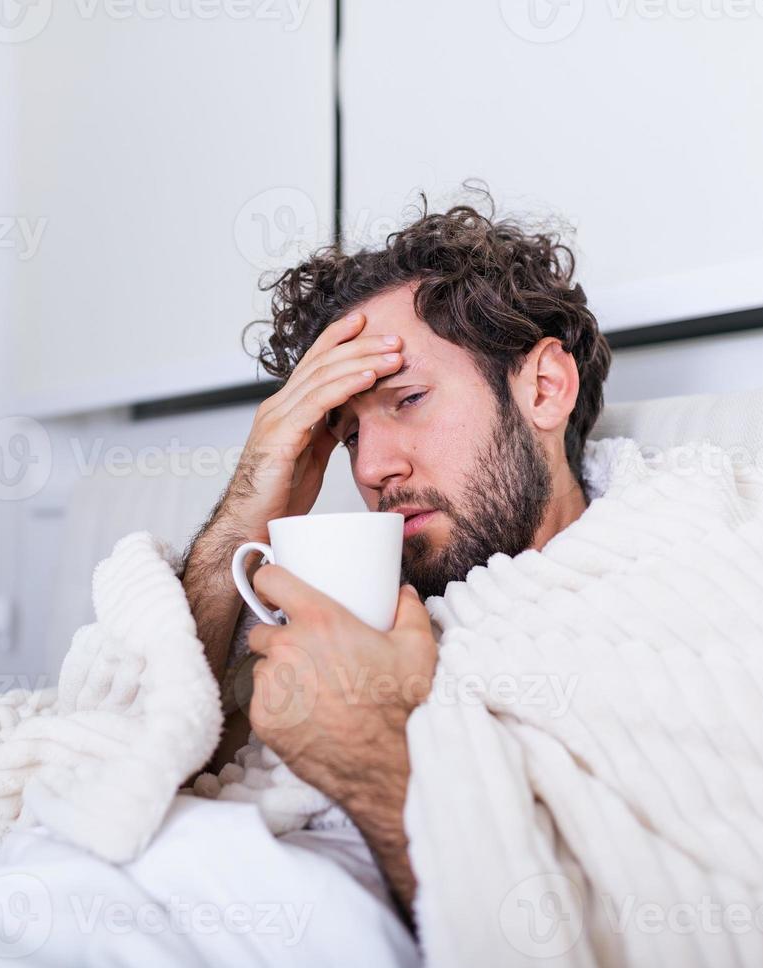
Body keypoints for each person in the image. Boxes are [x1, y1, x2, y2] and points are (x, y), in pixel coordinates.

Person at [179, 197, 612, 914]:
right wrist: (251, 498)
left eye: (408, 399)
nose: (372, 468)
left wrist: (372, 758)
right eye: (349, 436)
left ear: (544, 387)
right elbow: (135, 757)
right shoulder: (356, 615)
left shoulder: (688, 586)